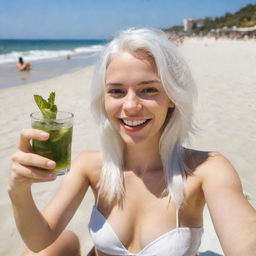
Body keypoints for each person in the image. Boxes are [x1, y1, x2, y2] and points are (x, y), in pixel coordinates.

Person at [8, 28, 256, 256]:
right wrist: (19, 190)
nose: (130, 106)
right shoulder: (91, 166)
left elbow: (245, 241)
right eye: (116, 91)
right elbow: (40, 239)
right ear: (103, 99)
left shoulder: (206, 170)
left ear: (172, 96)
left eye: (148, 90)